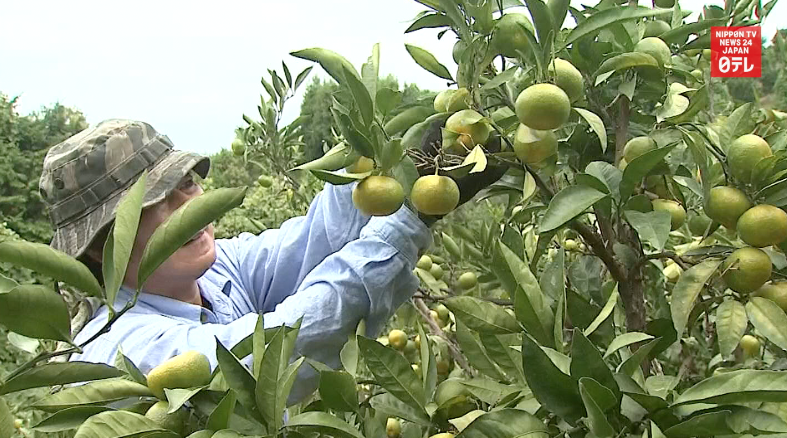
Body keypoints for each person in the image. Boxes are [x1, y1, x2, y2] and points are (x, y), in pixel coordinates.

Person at [38, 118, 504, 402]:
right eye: (153, 202)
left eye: (185, 184)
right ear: (100, 247)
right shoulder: (118, 352)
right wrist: (409, 217)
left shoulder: (220, 272)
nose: (187, 204)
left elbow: (311, 242)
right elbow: (267, 353)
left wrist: (395, 167)